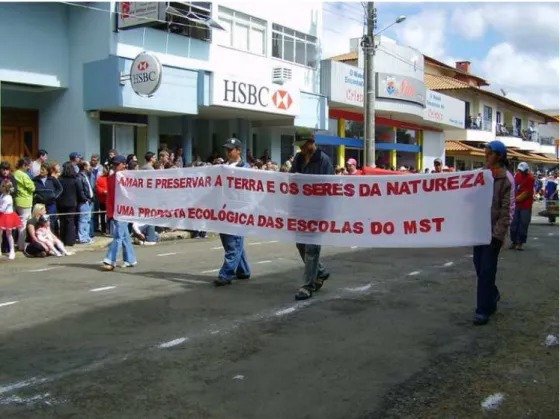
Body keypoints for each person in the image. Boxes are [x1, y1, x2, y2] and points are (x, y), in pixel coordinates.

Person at [290, 134, 334, 301]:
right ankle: (321, 272)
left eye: (303, 144)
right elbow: (291, 178)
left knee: (312, 248)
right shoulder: (299, 159)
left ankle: (308, 285)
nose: (301, 148)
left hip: (317, 211)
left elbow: (330, 187)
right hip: (301, 209)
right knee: (300, 244)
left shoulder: (324, 161)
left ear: (311, 142)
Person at [472, 141, 511, 326]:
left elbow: (507, 211)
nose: (486, 155)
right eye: (485, 152)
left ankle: (483, 310)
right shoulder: (481, 175)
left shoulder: (507, 179)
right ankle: (492, 295)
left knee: (487, 271)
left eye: (489, 153)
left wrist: (498, 235)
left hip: (493, 233)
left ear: (499, 156)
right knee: (479, 267)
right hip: (479, 229)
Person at [213, 138, 251, 286]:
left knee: (233, 243)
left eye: (231, 149)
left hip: (239, 210)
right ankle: (243, 270)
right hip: (224, 210)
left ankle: (226, 274)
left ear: (238, 150)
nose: (228, 152)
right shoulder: (223, 167)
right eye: (227, 150)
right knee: (230, 242)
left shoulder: (245, 168)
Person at [102, 155, 137, 271]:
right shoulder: (112, 178)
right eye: (114, 164)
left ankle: (110, 260)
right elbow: (111, 196)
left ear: (124, 164)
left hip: (124, 210)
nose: (116, 166)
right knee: (124, 235)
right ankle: (130, 259)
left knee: (118, 235)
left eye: (118, 164)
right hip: (118, 210)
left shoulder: (128, 176)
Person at [57, 162, 86, 247]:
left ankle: (62, 239)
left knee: (62, 221)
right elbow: (80, 191)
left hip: (61, 203)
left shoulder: (60, 179)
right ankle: (69, 241)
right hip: (71, 203)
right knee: (70, 221)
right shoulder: (75, 179)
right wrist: (84, 199)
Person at [32, 163, 63, 234]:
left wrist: (54, 196)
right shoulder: (35, 180)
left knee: (52, 220)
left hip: (51, 204)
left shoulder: (52, 179)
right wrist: (36, 196)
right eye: (40, 169)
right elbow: (32, 190)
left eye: (43, 169)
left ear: (48, 171)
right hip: (40, 204)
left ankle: (53, 236)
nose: (41, 171)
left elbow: (60, 188)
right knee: (39, 220)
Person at [510, 162, 534, 251]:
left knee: (523, 224)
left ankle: (520, 243)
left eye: (523, 171)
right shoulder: (517, 176)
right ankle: (514, 241)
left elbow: (527, 193)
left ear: (527, 170)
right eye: (520, 170)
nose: (521, 172)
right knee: (514, 223)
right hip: (516, 204)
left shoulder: (530, 178)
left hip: (525, 205)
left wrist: (514, 199)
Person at [13, 157, 35, 251]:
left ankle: (19, 242)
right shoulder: (24, 175)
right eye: (28, 165)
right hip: (25, 200)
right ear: (24, 165)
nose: (29, 166)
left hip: (17, 200)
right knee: (23, 224)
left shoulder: (14, 174)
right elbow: (32, 187)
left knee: (20, 223)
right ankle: (21, 245)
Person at [0, 180, 21, 259]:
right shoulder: (2, 196)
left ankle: (12, 250)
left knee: (9, 234)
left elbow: (2, 209)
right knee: (0, 234)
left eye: (3, 186)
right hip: (2, 216)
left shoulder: (8, 198)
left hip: (8, 216)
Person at [77, 161, 95, 244]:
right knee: (83, 220)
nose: (89, 167)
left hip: (89, 200)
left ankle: (86, 236)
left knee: (88, 220)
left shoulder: (86, 175)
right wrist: (85, 199)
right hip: (84, 201)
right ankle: (82, 238)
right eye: (88, 166)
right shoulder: (79, 176)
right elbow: (80, 191)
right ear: (84, 167)